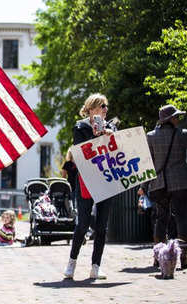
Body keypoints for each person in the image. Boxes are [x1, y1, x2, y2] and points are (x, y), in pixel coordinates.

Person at [64, 93, 116, 280]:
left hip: (107, 179)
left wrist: (110, 135)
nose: (105, 110)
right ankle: (72, 262)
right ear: (92, 107)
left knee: (101, 226)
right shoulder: (81, 127)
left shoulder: (111, 127)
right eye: (102, 106)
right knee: (83, 224)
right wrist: (97, 136)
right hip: (86, 180)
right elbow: (79, 151)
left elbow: (119, 148)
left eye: (106, 107)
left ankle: (96, 265)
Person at [138, 104, 187, 269]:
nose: (178, 119)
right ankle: (183, 258)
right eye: (176, 117)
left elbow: (147, 165)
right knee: (182, 218)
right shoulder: (182, 134)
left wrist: (143, 185)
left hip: (159, 184)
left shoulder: (150, 136)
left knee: (161, 219)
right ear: (170, 119)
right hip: (180, 183)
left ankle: (158, 258)